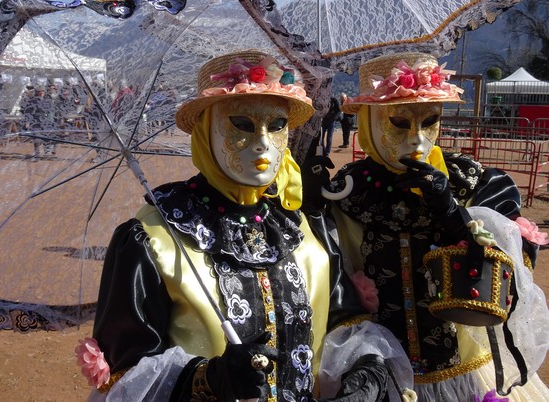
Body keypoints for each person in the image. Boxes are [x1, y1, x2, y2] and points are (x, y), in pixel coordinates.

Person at [76, 50, 397, 402]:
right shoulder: (155, 241)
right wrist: (206, 378)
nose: (262, 143)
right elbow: (126, 374)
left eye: (276, 126)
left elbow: (340, 321)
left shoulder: (302, 229)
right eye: (241, 124)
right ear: (204, 131)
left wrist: (364, 367)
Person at [302, 52, 549, 401]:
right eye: (399, 121)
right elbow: (320, 277)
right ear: (370, 121)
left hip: (464, 375)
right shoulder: (344, 192)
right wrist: (311, 206)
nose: (417, 138)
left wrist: (452, 213)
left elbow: (508, 280)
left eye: (429, 119)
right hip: (378, 376)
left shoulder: (472, 184)